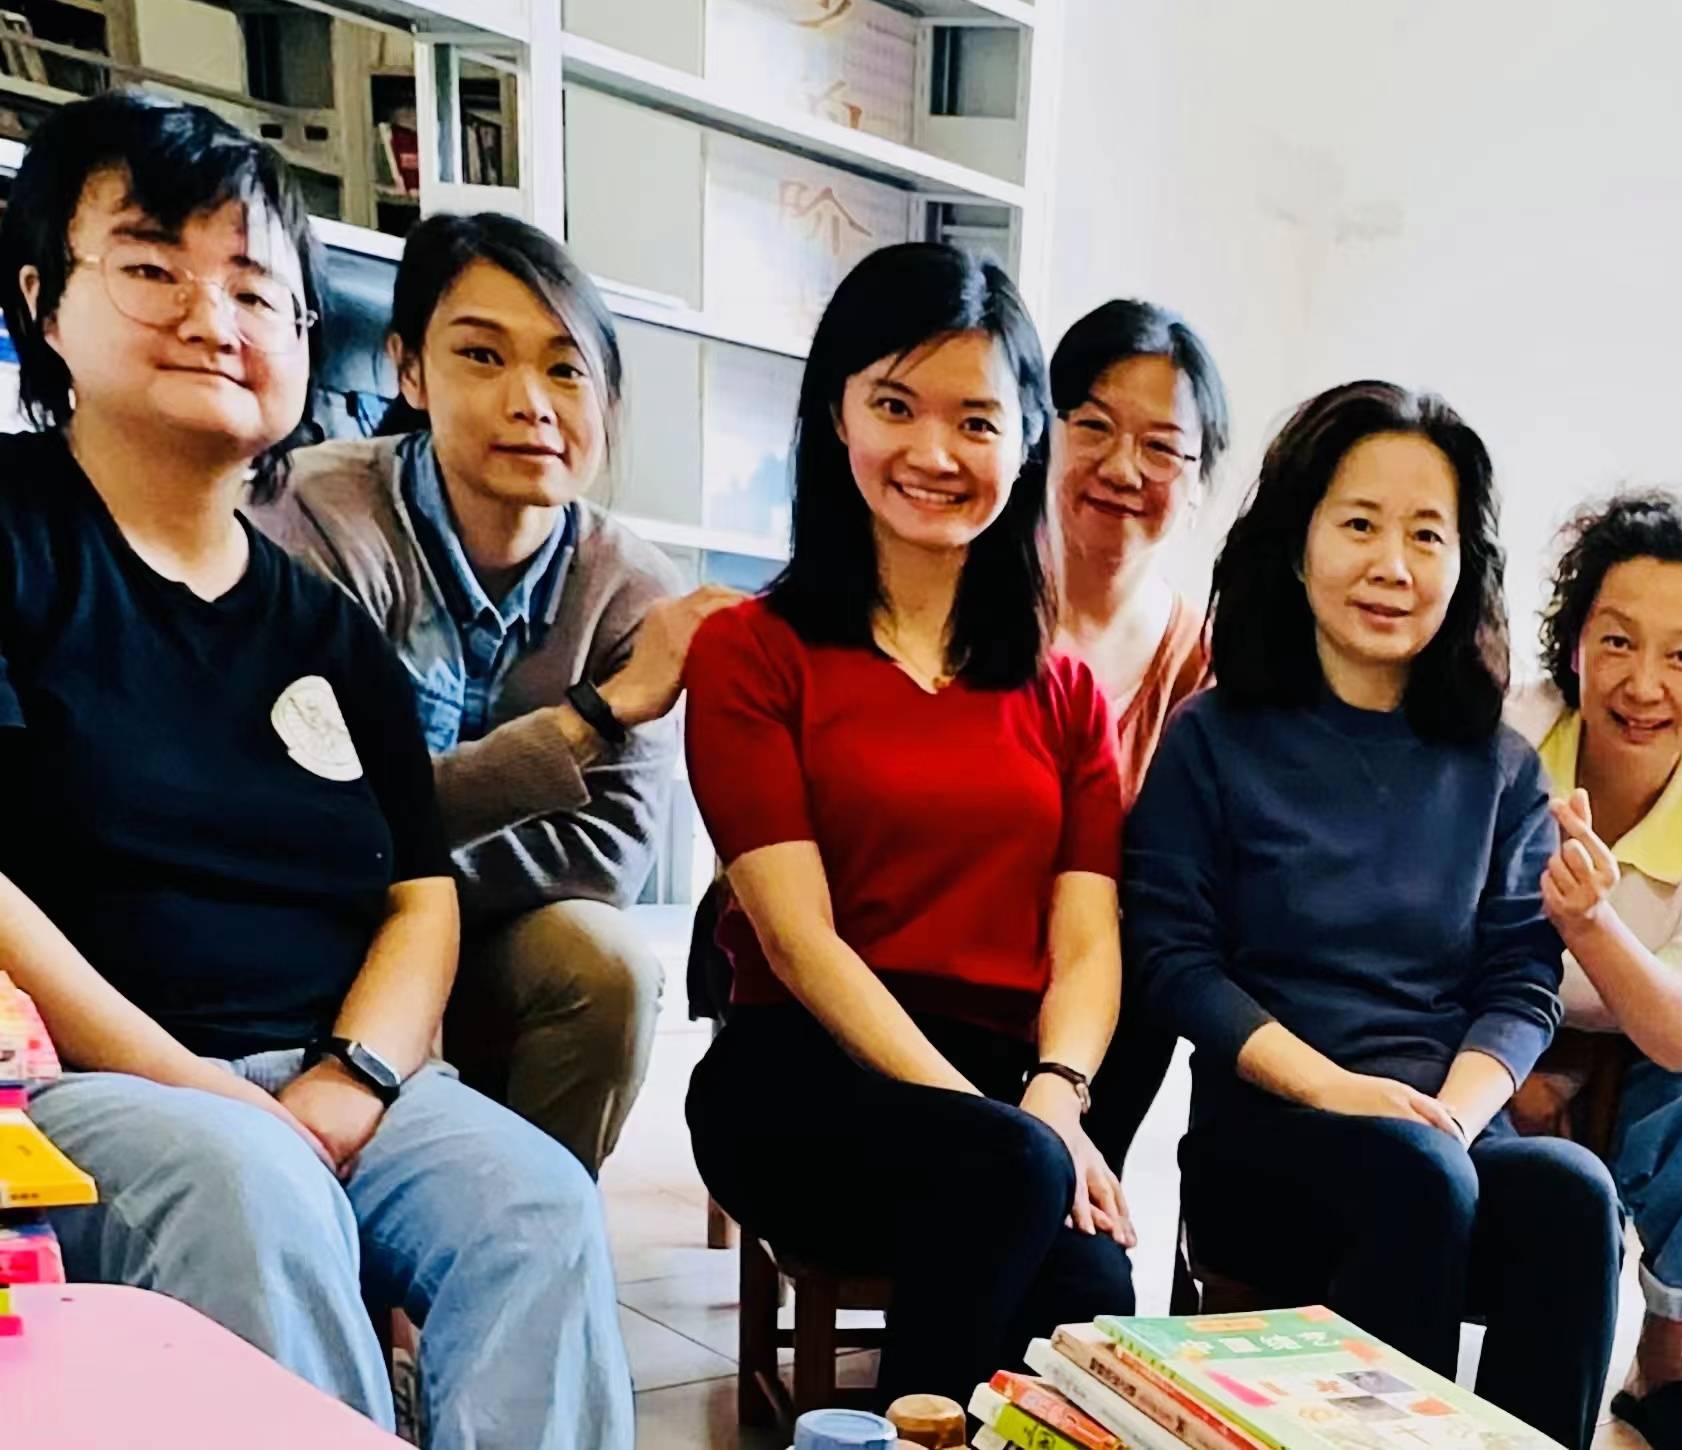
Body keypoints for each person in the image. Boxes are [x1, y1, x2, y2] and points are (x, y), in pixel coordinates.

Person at [0, 91, 627, 1445]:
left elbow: (420, 893)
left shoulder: (323, 627)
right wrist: (194, 1080)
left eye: (255, 289)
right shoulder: (15, 536)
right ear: (44, 300)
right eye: (153, 267)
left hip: (320, 1072)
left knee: (536, 1208)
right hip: (73, 1083)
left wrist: (356, 1075)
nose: (210, 315)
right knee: (246, 1184)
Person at [1124, 382, 1621, 1449]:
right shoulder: (1212, 738)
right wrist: (1338, 1090)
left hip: (1443, 1129)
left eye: (1425, 534)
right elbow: (1173, 960)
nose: (1393, 564)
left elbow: (1521, 980)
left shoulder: (1500, 766)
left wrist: (1454, 1111)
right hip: (1269, 1135)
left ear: (1463, 563)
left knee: (1573, 1193)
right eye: (1359, 524)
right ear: (1297, 544)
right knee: (1416, 1178)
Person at [683, 241, 1135, 1403]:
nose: (934, 452)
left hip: (1003, 1087)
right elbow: (799, 942)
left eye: (976, 420)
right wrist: (1006, 1128)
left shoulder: (1067, 694)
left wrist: (1054, 1090)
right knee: (1006, 1178)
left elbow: (1088, 940)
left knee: (1094, 1287)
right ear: (835, 414)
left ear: (1025, 443)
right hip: (799, 1073)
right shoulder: (748, 653)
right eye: (894, 405)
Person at [254, 211, 741, 1174]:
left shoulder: (634, 589)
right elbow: (308, 821)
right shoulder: (311, 516)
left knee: (606, 964)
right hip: (312, 935)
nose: (531, 402)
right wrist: (589, 722)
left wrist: (402, 862)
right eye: (482, 356)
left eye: (567, 369)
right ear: (408, 369)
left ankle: (529, 1224)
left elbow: (602, 859)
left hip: (492, 948)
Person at [1502, 490, 1682, 1450]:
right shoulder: (1502, 739)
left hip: (1641, 1056)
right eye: (1617, 642)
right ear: (1574, 646)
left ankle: (1663, 1366)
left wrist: (1589, 925)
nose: (1642, 684)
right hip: (1479, 1033)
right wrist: (1514, 1065)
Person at [1044, 298, 1229, 1171]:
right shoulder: (965, 620)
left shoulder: (1206, 669)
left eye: (1160, 447)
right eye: (1092, 426)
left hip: (1111, 1002)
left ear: (1198, 484)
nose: (1121, 468)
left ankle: (1081, 1178)